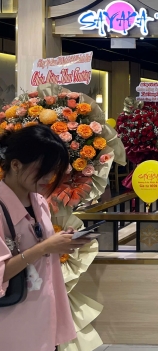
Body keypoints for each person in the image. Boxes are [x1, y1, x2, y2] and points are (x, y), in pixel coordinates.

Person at [0, 125, 93, 351]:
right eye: (44, 170)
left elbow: (40, 244)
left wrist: (60, 242)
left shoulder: (39, 201)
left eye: (54, 170)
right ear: (15, 164)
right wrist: (44, 248)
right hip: (12, 318)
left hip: (43, 309)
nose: (50, 177)